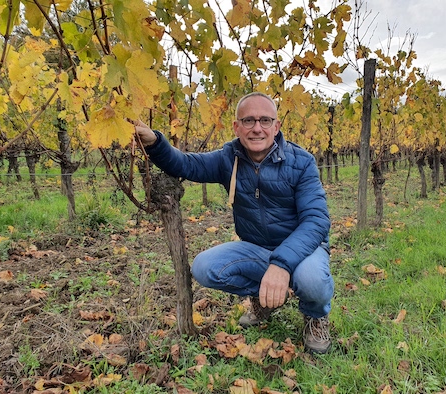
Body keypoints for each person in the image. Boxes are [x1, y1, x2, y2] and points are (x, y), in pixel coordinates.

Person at [134, 92, 334, 354]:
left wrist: (282, 265)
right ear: (236, 127)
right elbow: (186, 164)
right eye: (248, 121)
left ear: (276, 126)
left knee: (311, 281)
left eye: (265, 120)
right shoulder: (228, 158)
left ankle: (314, 316)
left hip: (303, 250)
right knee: (205, 267)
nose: (257, 128)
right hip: (257, 249)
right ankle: (265, 299)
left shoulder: (301, 162)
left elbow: (316, 220)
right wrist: (154, 143)